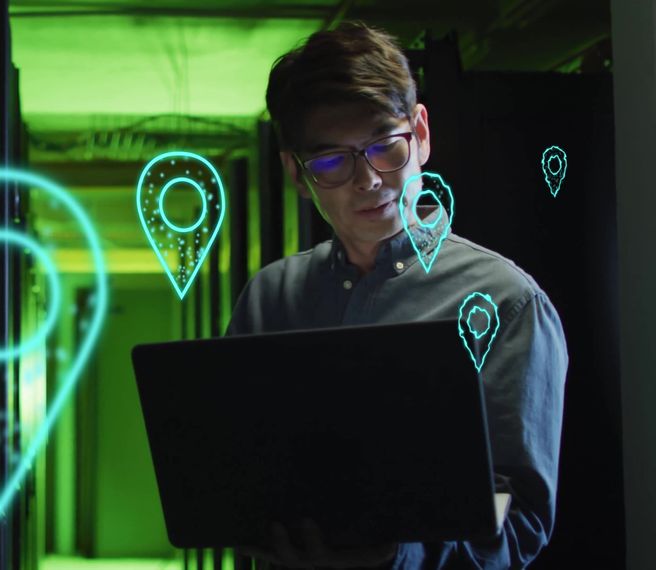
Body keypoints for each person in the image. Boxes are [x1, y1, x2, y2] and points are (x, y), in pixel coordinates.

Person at [228, 22, 568, 569]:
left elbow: (522, 523)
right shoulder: (269, 297)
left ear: (422, 133)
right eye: (333, 162)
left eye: (386, 147)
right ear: (296, 172)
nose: (368, 181)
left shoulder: (506, 302)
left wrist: (396, 557)